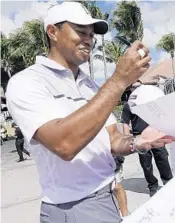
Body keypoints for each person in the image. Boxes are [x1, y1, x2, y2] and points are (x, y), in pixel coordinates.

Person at [5, 2, 175, 223]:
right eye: (81, 31)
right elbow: (64, 144)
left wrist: (140, 141)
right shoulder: (27, 82)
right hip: (74, 207)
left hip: (108, 195)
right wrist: (119, 80)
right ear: (53, 32)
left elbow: (113, 139)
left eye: (92, 34)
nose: (89, 39)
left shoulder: (90, 86)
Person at [121, 85, 173, 197]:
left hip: (156, 136)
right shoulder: (128, 105)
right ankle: (153, 186)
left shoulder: (151, 101)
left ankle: (168, 182)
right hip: (140, 138)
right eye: (135, 87)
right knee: (146, 165)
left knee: (163, 160)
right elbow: (125, 122)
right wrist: (127, 138)